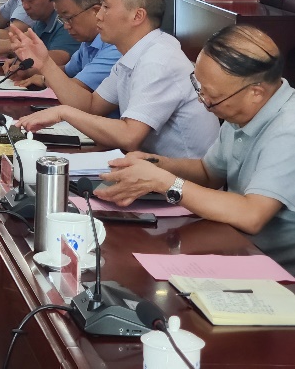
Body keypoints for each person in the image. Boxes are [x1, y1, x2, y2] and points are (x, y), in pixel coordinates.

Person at [98, 26, 295, 271]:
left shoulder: (288, 129)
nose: (203, 101)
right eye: (199, 87)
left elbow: (251, 215)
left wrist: (164, 182)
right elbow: (208, 173)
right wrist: (155, 163)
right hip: (235, 245)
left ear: (255, 93)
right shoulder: (242, 109)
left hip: (277, 272)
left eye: (211, 96)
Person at [18, 0, 219, 158]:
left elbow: (129, 136)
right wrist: (45, 64)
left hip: (179, 178)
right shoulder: (131, 55)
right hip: (148, 167)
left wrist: (63, 112)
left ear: (137, 16)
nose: (98, 15)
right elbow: (91, 105)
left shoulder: (158, 60)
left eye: (105, 7)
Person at [9, 0, 121, 98]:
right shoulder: (88, 42)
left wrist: (44, 78)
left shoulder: (114, 47)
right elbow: (67, 71)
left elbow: (76, 88)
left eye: (69, 18)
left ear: (96, 11)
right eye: (62, 19)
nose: (66, 26)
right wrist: (28, 72)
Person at [6, 0, 80, 66]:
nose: (25, 6)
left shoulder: (67, 22)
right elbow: (21, 44)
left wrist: (20, 63)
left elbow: (58, 59)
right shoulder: (42, 21)